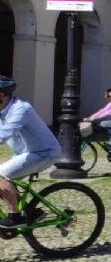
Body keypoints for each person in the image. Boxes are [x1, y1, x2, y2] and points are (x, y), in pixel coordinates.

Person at [0, 76, 62, 229]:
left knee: (1, 175)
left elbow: (4, 134)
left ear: (2, 95)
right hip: (24, 154)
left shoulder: (21, 109)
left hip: (44, 152)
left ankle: (15, 217)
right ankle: (31, 211)